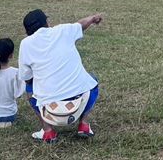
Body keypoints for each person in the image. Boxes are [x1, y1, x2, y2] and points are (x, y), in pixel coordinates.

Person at [19, 9, 102, 143]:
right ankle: (84, 125)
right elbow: (81, 25)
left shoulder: (25, 44)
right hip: (80, 101)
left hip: (49, 109)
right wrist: (93, 18)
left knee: (29, 87)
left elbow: (26, 78)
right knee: (92, 80)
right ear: (46, 22)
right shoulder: (63, 30)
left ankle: (48, 131)